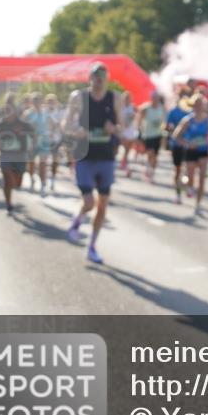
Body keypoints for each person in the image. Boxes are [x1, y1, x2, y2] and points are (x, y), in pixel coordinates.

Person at [64, 62, 124, 264]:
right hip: (85, 156)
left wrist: (114, 128)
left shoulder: (115, 98)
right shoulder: (79, 97)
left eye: (102, 75)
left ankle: (92, 246)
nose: (99, 78)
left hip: (106, 157)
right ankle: (77, 221)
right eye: (95, 75)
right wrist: (76, 129)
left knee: (103, 205)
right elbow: (66, 123)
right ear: (90, 77)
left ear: (107, 78)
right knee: (89, 202)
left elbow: (124, 127)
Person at [0, 97, 34, 213]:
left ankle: (13, 188)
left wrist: (31, 145)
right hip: (6, 155)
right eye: (5, 112)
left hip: (21, 155)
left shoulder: (24, 124)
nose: (7, 114)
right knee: (7, 180)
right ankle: (8, 203)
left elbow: (34, 135)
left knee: (17, 184)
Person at [172, 93, 208, 217]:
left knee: (202, 180)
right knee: (190, 177)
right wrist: (187, 143)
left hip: (203, 151)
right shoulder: (188, 120)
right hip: (191, 151)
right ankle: (185, 186)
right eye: (197, 104)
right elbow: (176, 135)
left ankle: (198, 205)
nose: (199, 107)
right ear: (193, 106)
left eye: (201, 105)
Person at [22, 92, 52, 197]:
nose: (36, 102)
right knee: (31, 163)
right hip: (31, 141)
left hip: (44, 140)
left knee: (43, 164)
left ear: (41, 101)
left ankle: (43, 185)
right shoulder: (27, 113)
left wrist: (51, 133)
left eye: (38, 100)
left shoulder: (46, 112)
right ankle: (32, 180)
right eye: (34, 100)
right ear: (31, 101)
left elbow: (50, 124)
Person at [165, 89, 192, 203]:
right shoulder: (173, 111)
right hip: (177, 145)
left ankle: (187, 185)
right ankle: (178, 194)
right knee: (178, 170)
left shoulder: (192, 113)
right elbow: (167, 126)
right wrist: (171, 128)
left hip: (190, 146)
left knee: (190, 169)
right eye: (183, 96)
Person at [137, 91, 166, 183]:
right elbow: (139, 119)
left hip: (158, 135)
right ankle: (148, 170)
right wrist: (140, 130)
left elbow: (163, 121)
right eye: (154, 98)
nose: (155, 100)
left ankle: (151, 172)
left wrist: (163, 127)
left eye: (157, 98)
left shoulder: (162, 108)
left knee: (155, 156)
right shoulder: (146, 108)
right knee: (150, 153)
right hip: (148, 134)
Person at [45, 93, 66, 191]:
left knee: (54, 159)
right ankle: (43, 178)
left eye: (52, 102)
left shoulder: (59, 112)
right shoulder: (43, 112)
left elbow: (60, 125)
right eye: (49, 102)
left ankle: (52, 179)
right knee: (43, 160)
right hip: (44, 139)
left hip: (56, 139)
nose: (51, 104)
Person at [118, 90, 139, 176]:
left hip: (130, 130)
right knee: (123, 145)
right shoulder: (119, 107)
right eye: (125, 98)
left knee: (128, 148)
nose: (127, 99)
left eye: (128, 98)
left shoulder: (132, 107)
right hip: (121, 130)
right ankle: (122, 162)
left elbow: (136, 116)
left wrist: (133, 116)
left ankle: (124, 162)